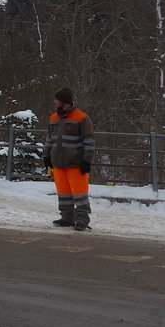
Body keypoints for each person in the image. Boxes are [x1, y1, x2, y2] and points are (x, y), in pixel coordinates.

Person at [44, 87, 95, 231]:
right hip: (58, 164)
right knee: (64, 194)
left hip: (76, 164)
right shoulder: (53, 118)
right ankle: (67, 218)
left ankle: (82, 220)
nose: (54, 102)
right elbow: (49, 140)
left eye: (57, 100)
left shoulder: (82, 118)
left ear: (65, 102)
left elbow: (89, 141)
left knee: (80, 195)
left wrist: (86, 160)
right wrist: (46, 156)